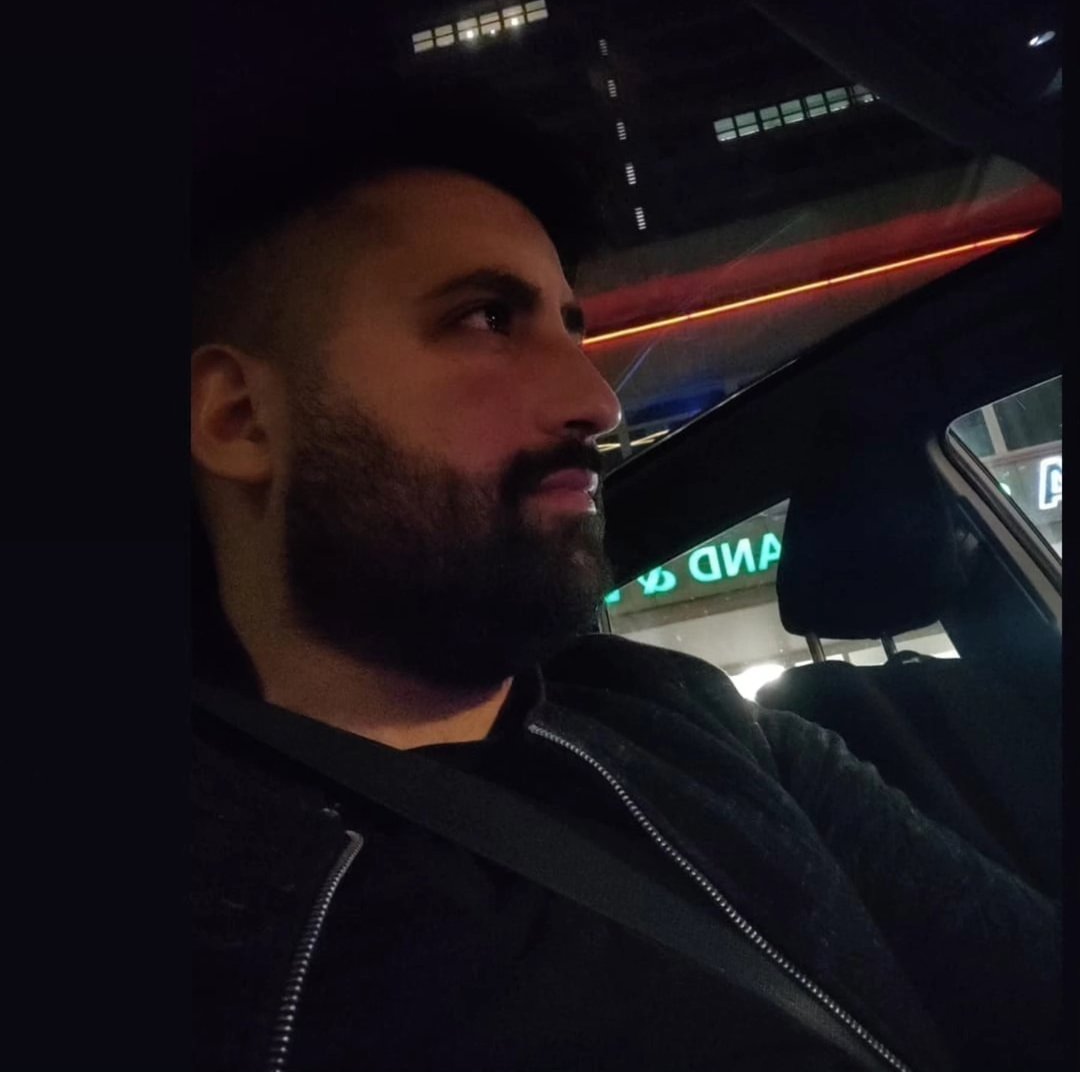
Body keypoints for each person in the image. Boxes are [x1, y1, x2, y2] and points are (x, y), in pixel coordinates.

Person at [191, 86, 1061, 1072]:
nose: (595, 400)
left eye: (571, 330)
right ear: (240, 418)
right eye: (485, 319)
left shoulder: (687, 722)